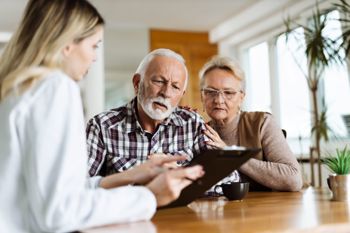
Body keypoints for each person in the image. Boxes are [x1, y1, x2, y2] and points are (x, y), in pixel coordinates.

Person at [0, 0, 204, 232]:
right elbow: (61, 212)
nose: (95, 57)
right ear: (68, 44)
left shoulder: (17, 88)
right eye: (94, 46)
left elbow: (50, 192)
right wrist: (149, 196)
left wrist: (130, 175)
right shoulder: (55, 87)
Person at [86, 48, 209, 176]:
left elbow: (217, 182)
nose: (166, 93)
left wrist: (180, 173)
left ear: (181, 95)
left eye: (175, 87)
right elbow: (79, 186)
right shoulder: (102, 126)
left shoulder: (193, 124)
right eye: (159, 81)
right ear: (137, 83)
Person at [199, 55, 303, 191]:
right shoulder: (198, 132)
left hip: (266, 209)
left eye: (228, 92)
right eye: (211, 92)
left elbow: (293, 179)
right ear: (202, 96)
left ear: (241, 97)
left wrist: (230, 154)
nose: (218, 100)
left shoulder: (262, 123)